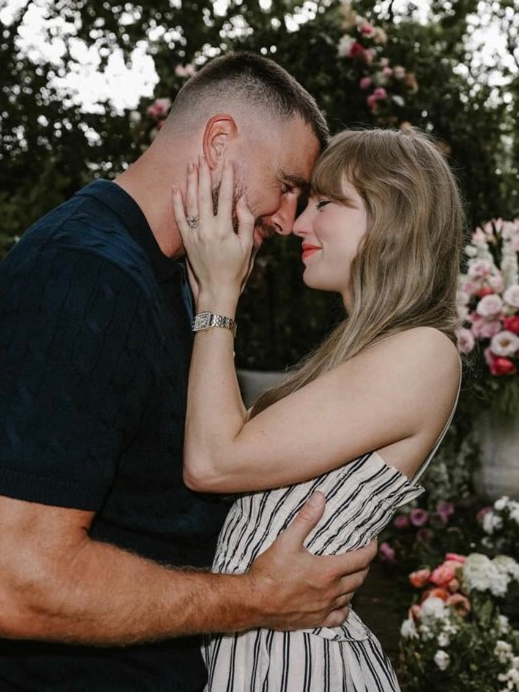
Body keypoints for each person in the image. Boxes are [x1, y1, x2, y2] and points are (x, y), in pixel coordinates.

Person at [0, 53, 377, 692]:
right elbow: (17, 586)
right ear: (219, 141)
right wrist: (259, 597)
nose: (289, 220)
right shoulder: (80, 276)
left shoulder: (169, 277)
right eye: (287, 184)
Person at [173, 128, 465, 690]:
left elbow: (211, 461)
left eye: (326, 204)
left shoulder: (423, 352)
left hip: (298, 664)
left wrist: (218, 298)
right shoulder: (359, 354)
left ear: (393, 216)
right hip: (258, 649)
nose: (299, 224)